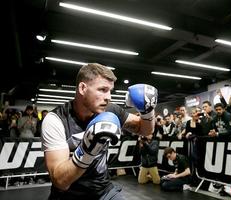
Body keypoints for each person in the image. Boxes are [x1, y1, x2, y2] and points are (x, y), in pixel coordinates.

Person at [41, 63, 157, 200]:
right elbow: (60, 182)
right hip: (68, 195)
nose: (109, 97)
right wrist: (87, 149)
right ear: (83, 88)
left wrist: (148, 111)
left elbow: (145, 130)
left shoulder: (111, 110)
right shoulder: (55, 120)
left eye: (110, 91)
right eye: (103, 89)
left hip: (103, 192)